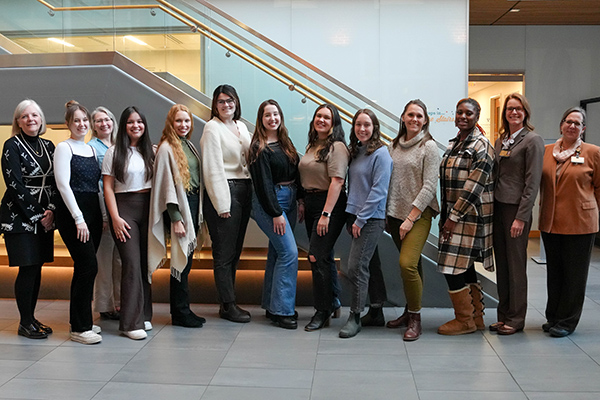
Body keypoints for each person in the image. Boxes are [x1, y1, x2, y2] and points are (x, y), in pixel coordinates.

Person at [539, 106, 600, 337]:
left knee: (574, 275)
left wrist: (592, 210)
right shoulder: (546, 151)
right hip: (551, 222)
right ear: (561, 125)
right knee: (555, 272)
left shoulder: (593, 152)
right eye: (568, 121)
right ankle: (553, 316)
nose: (572, 126)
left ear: (583, 129)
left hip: (580, 223)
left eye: (577, 123)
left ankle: (567, 321)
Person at [437, 98, 494, 336]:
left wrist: (452, 218)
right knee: (464, 265)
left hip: (468, 216)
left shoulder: (482, 146)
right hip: (453, 212)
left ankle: (464, 320)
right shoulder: (455, 144)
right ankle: (476, 318)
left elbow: (473, 188)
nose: (462, 116)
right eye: (459, 112)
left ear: (477, 116)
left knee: (450, 266)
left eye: (468, 113)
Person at [384, 100, 440, 341]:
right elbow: (388, 180)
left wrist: (410, 218)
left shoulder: (429, 147)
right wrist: (388, 212)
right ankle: (409, 311)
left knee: (406, 263)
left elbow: (429, 185)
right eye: (410, 115)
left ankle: (415, 318)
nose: (414, 119)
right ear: (403, 117)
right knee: (414, 265)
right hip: (395, 214)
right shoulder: (393, 146)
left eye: (419, 116)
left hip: (419, 214)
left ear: (425, 120)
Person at [0, 100, 56, 339]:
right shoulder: (11, 145)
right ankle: (24, 322)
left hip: (46, 214)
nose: (30, 119)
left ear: (41, 119)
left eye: (35, 115)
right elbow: (14, 185)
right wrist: (37, 214)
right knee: (27, 267)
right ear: (18, 121)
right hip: (18, 216)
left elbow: (57, 181)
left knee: (37, 268)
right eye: (24, 116)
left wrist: (51, 210)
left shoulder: (50, 145)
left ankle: (31, 319)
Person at [490, 94, 544, 335]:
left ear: (525, 112)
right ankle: (503, 315)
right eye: (510, 109)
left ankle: (516, 318)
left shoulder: (532, 140)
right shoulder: (502, 141)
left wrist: (522, 217)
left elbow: (532, 183)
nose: (514, 113)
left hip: (515, 210)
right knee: (503, 264)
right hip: (497, 207)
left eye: (518, 109)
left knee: (516, 266)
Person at [148, 104, 206, 328]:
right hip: (179, 209)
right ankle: (180, 313)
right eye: (179, 121)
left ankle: (183, 309)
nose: (183, 125)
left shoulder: (188, 145)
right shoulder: (166, 148)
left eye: (187, 121)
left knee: (187, 262)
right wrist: (176, 218)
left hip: (192, 205)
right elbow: (165, 186)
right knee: (181, 261)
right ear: (170, 123)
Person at [200, 84, 253, 323]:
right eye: (221, 101)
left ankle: (227, 302)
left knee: (235, 251)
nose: (226, 105)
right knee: (223, 253)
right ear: (215, 105)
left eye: (230, 100)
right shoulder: (212, 128)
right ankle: (228, 304)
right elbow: (211, 169)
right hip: (225, 192)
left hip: (244, 190)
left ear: (236, 102)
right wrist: (222, 204)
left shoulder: (240, 126)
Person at [339, 109, 392, 339]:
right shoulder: (358, 151)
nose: (362, 129)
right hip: (355, 215)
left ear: (375, 127)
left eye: (367, 125)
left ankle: (355, 316)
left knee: (355, 267)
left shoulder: (381, 154)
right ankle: (377, 311)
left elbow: (379, 191)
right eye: (358, 124)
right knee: (371, 264)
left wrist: (360, 219)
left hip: (370, 218)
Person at [248, 100, 301, 330]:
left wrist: (298, 200)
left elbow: (294, 171)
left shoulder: (285, 142)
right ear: (261, 119)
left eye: (276, 114)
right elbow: (264, 186)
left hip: (289, 199)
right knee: (289, 253)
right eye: (267, 115)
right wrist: (276, 213)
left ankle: (273, 305)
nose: (272, 118)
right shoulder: (259, 148)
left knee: (277, 253)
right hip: (271, 203)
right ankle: (282, 311)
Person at [103, 106, 155, 340]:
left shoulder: (151, 152)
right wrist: (114, 218)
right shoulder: (114, 152)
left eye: (140, 122)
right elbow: (107, 187)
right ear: (123, 126)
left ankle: (143, 314)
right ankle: (129, 323)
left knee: (145, 263)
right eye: (131, 122)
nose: (136, 126)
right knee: (131, 264)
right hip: (125, 210)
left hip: (149, 208)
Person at [54, 100, 103, 344]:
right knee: (88, 266)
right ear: (68, 124)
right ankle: (79, 328)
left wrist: (100, 216)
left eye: (85, 120)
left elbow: (98, 187)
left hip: (93, 211)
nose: (82, 124)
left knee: (84, 269)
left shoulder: (92, 149)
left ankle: (82, 320)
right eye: (77, 121)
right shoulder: (64, 148)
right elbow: (63, 185)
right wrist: (78, 218)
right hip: (74, 214)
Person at [298, 104, 349, 332]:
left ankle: (322, 310)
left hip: (329, 206)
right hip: (311, 203)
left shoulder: (337, 147)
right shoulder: (313, 145)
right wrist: (302, 202)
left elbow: (337, 181)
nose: (321, 120)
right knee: (324, 255)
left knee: (316, 257)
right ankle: (333, 301)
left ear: (334, 123)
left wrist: (326, 214)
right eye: (318, 116)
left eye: (327, 117)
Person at [89, 106, 122, 321]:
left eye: (108, 119)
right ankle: (104, 305)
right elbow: (97, 184)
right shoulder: (91, 148)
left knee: (119, 261)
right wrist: (102, 215)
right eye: (99, 120)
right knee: (104, 261)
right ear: (93, 125)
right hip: (103, 209)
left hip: (122, 210)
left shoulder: (120, 145)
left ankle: (119, 303)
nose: (104, 123)